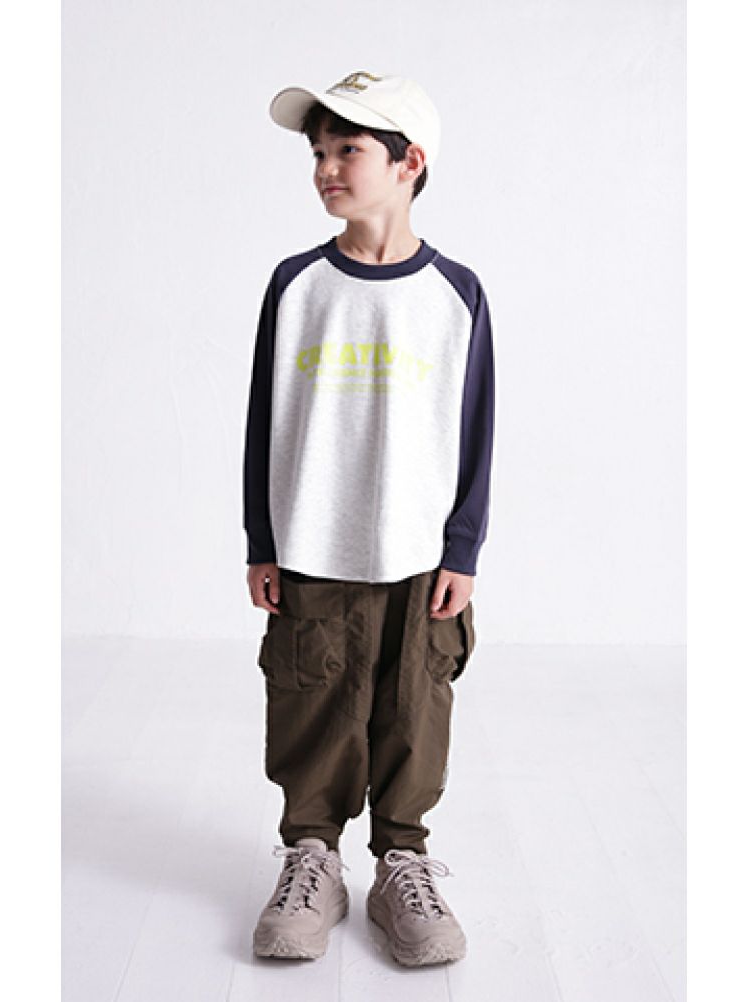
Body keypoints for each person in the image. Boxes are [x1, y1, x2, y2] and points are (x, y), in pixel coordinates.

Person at [242, 70, 495, 967]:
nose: (325, 168)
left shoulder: (455, 293)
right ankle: (312, 857)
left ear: (408, 161)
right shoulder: (298, 285)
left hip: (417, 551)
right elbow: (264, 418)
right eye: (318, 152)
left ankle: (401, 863)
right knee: (310, 702)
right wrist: (262, 541)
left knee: (413, 707)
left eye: (347, 149)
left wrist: (463, 546)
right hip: (313, 543)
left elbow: (475, 426)